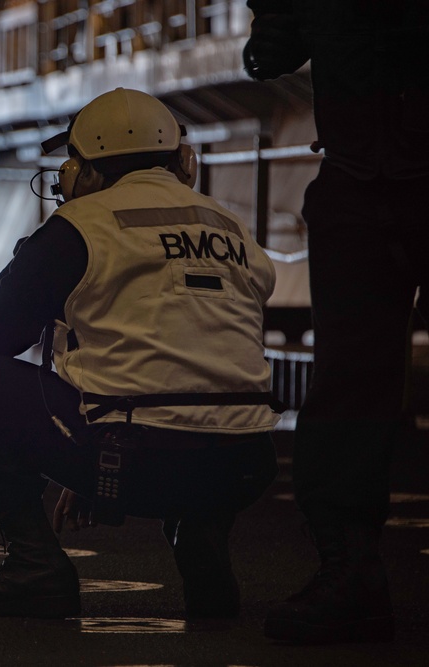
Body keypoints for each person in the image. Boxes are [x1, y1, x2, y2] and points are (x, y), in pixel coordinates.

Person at [0, 88, 282, 621]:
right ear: (184, 163)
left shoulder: (82, 225)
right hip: (245, 465)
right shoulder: (231, 227)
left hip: (133, 461)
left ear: (82, 174)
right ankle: (203, 541)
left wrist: (34, 264)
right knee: (203, 424)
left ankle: (34, 565)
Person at [243, 0, 429, 644]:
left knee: (350, 385)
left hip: (360, 182)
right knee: (347, 387)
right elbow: (270, 53)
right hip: (358, 185)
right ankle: (349, 570)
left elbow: (269, 53)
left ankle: (351, 573)